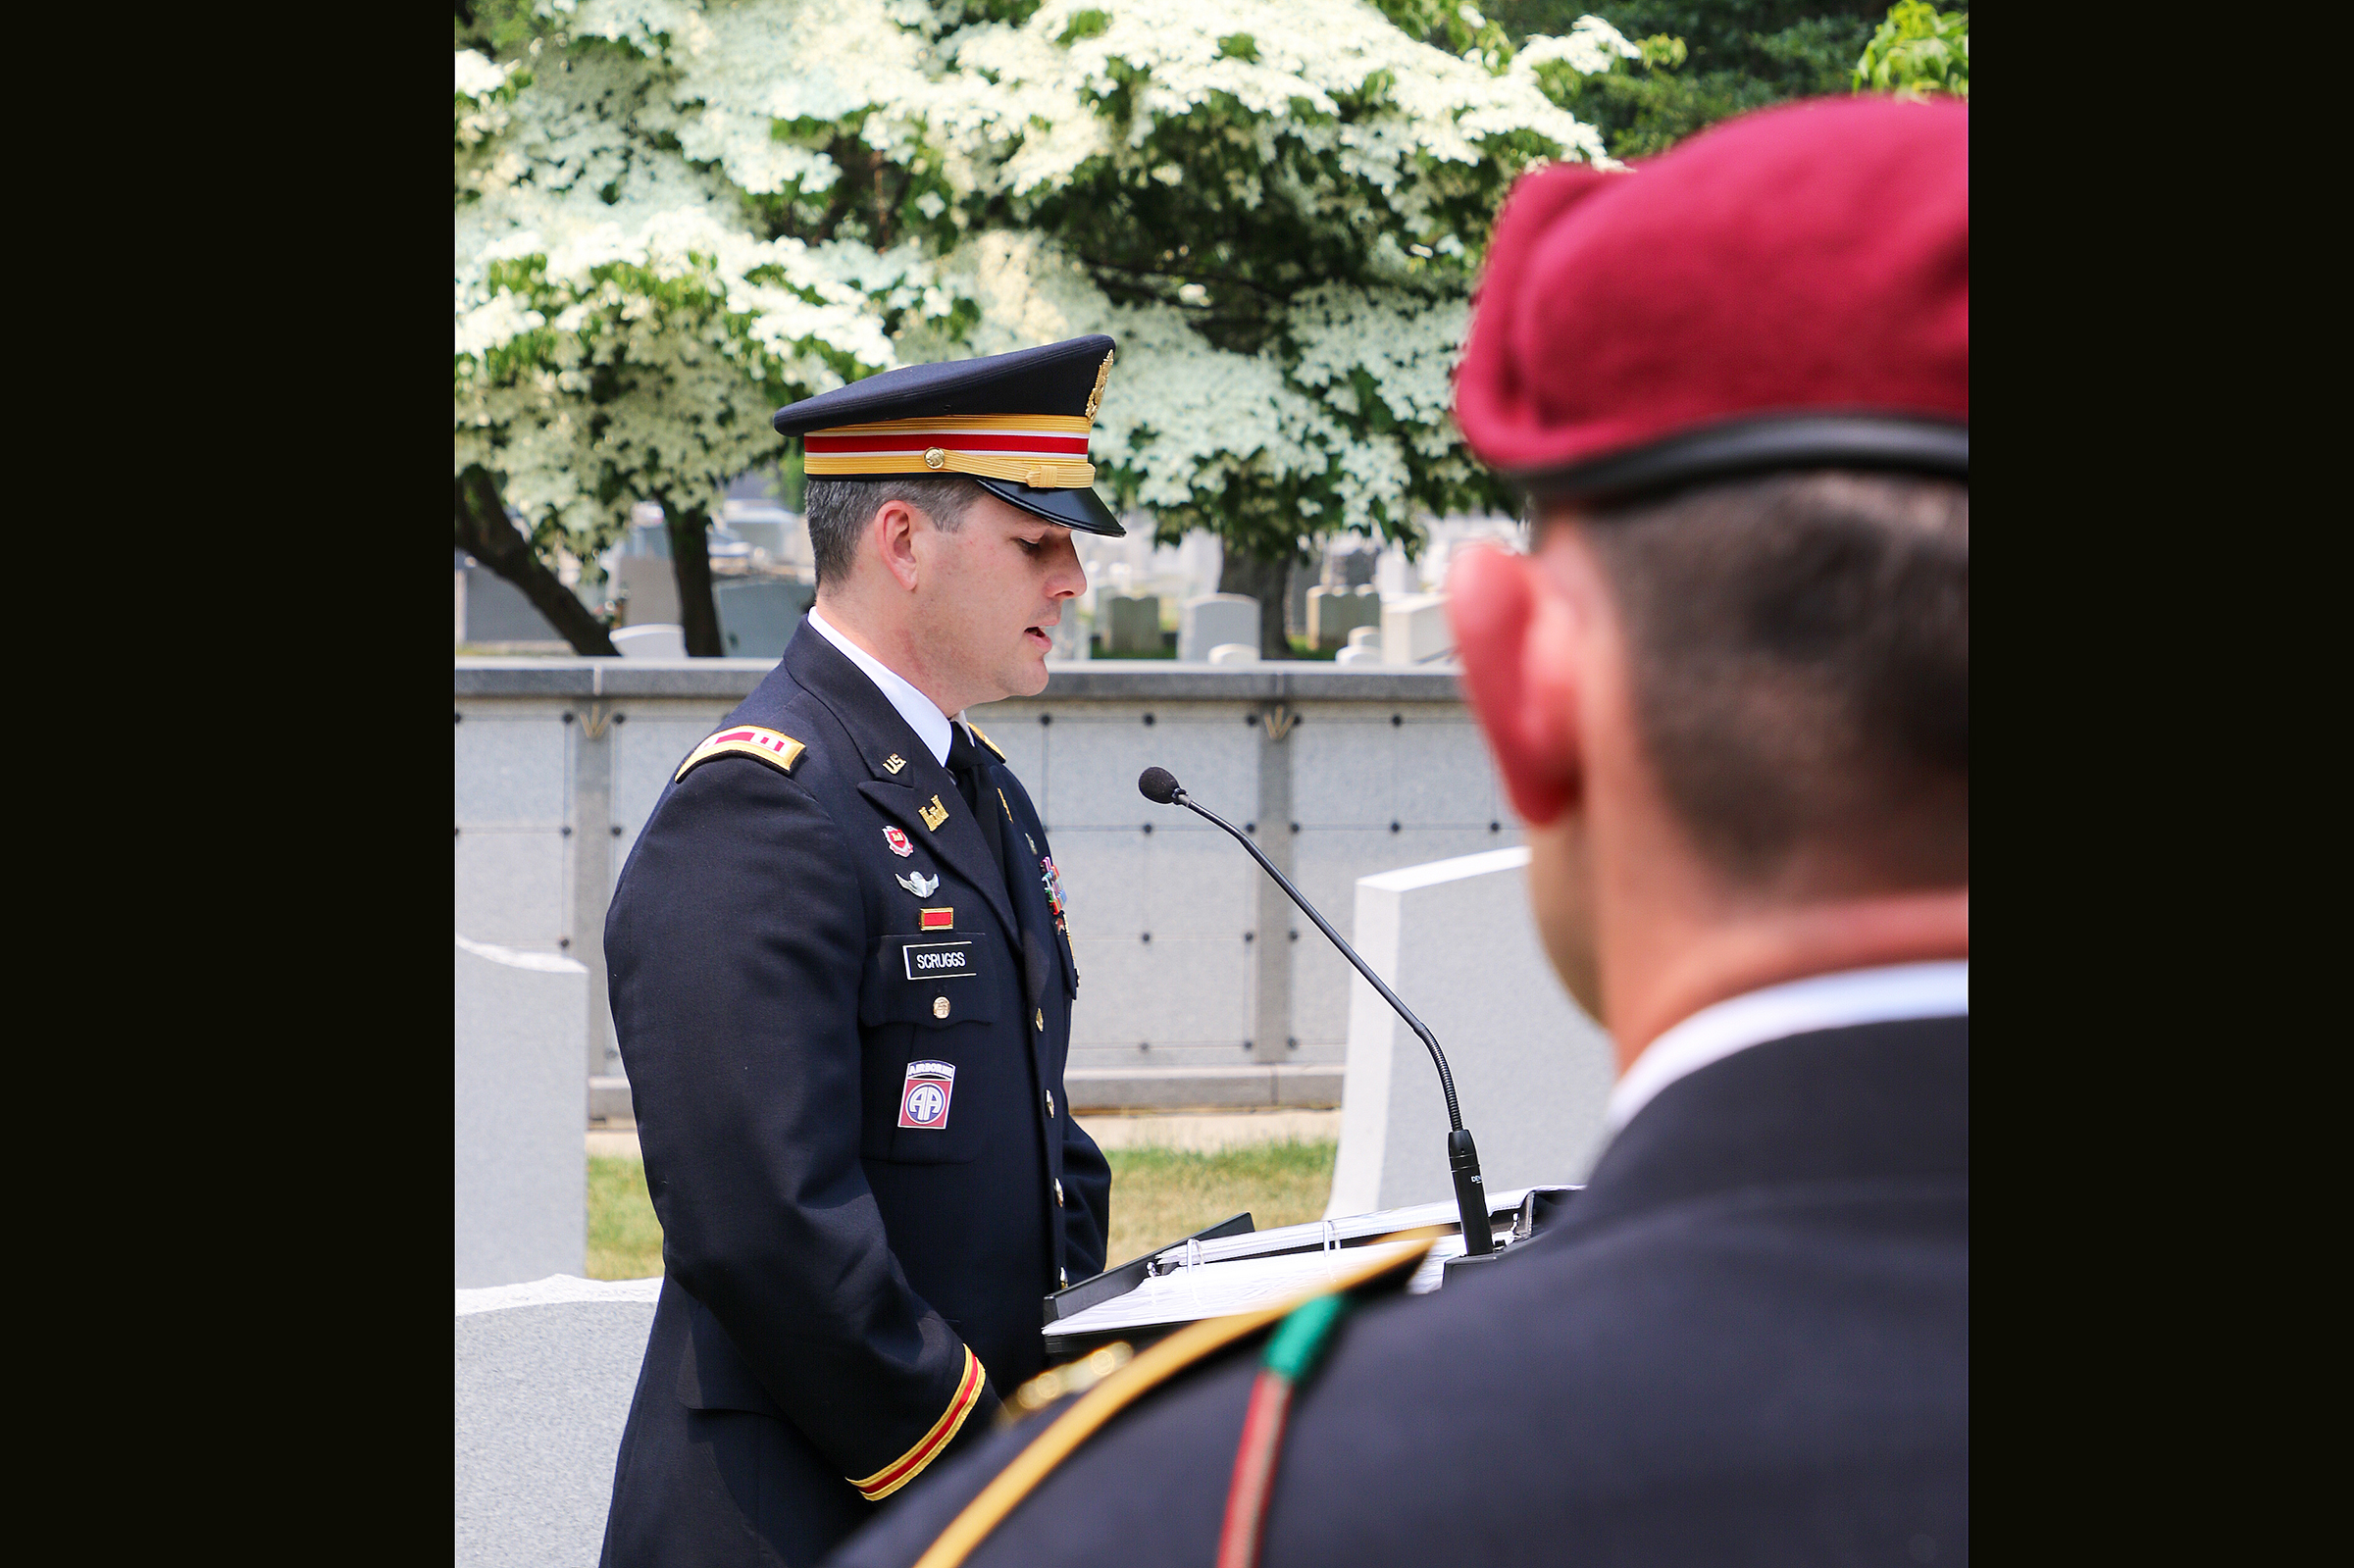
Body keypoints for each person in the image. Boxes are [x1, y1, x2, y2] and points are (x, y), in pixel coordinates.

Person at [825, 94, 1969, 1568]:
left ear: (1520, 685)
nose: (1069, 579)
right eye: (1037, 540)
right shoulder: (786, 790)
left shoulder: (1194, 1513)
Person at [597, 335, 1129, 1567]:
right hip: (804, 1509)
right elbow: (763, 1220)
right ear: (902, 539)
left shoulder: (973, 789)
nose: (1072, 582)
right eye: (1036, 542)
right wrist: (968, 1456)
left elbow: (1042, 1141)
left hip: (957, 1501)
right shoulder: (760, 804)